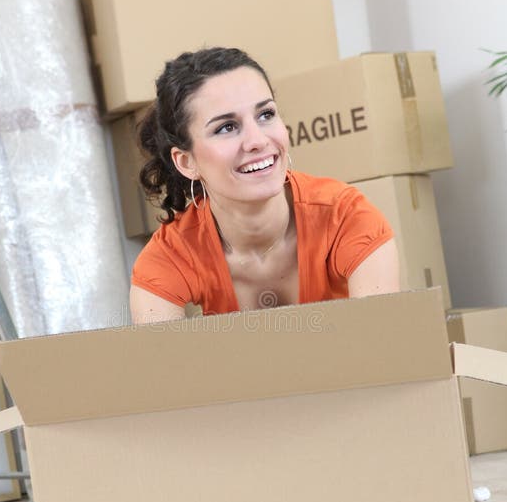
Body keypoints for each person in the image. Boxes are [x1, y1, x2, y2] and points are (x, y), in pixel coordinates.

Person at [130, 47, 400, 324]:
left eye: (266, 115)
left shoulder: (346, 216)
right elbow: (166, 364)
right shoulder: (169, 257)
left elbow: (381, 346)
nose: (257, 140)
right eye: (226, 127)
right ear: (187, 162)